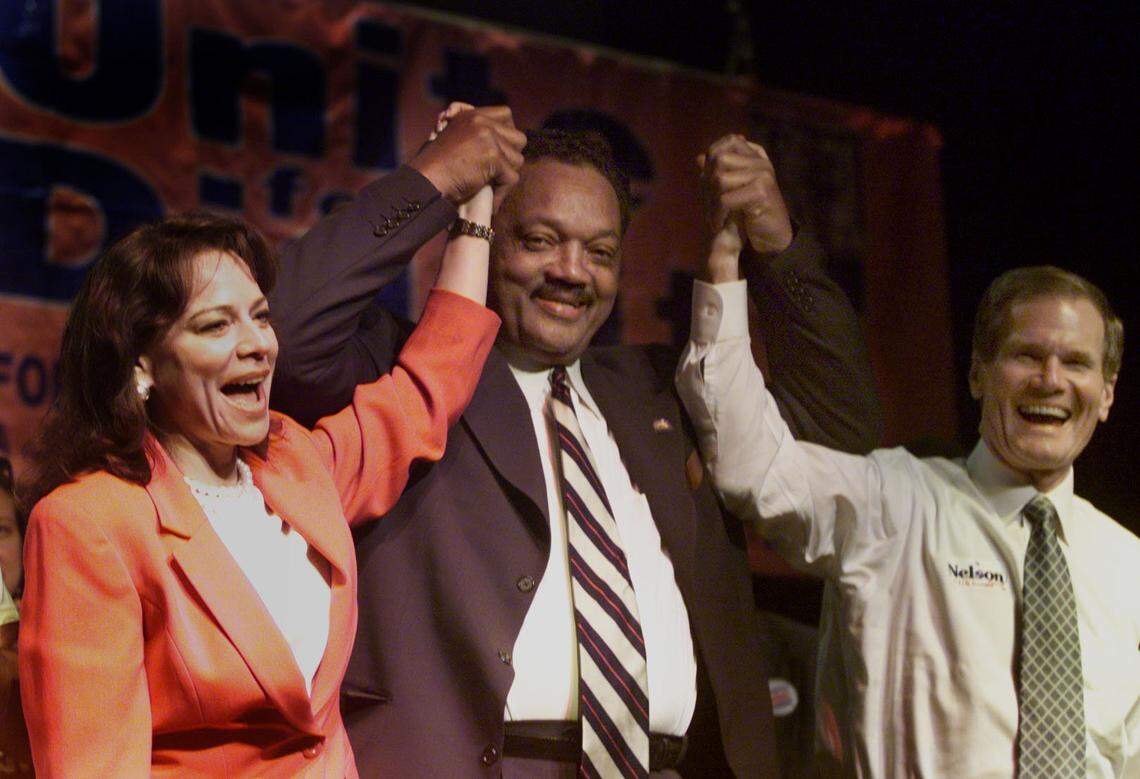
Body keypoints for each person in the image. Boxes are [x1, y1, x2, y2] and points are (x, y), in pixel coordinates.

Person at [270, 116, 881, 776]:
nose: (571, 271)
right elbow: (282, 336)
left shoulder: (663, 393)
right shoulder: (406, 373)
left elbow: (837, 434)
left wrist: (776, 246)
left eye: (600, 252)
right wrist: (435, 180)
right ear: (487, 236)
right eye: (540, 240)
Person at [16, 108, 501, 777]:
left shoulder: (293, 463)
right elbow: (92, 765)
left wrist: (472, 215)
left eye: (261, 315)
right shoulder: (89, 522)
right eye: (216, 325)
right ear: (143, 365)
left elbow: (424, 395)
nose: (256, 343)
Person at [675, 188, 1140, 776]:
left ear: (1107, 393)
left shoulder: (1129, 567)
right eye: (1027, 356)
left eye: (1076, 363)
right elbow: (750, 466)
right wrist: (723, 264)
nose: (1051, 380)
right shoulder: (890, 501)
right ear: (977, 373)